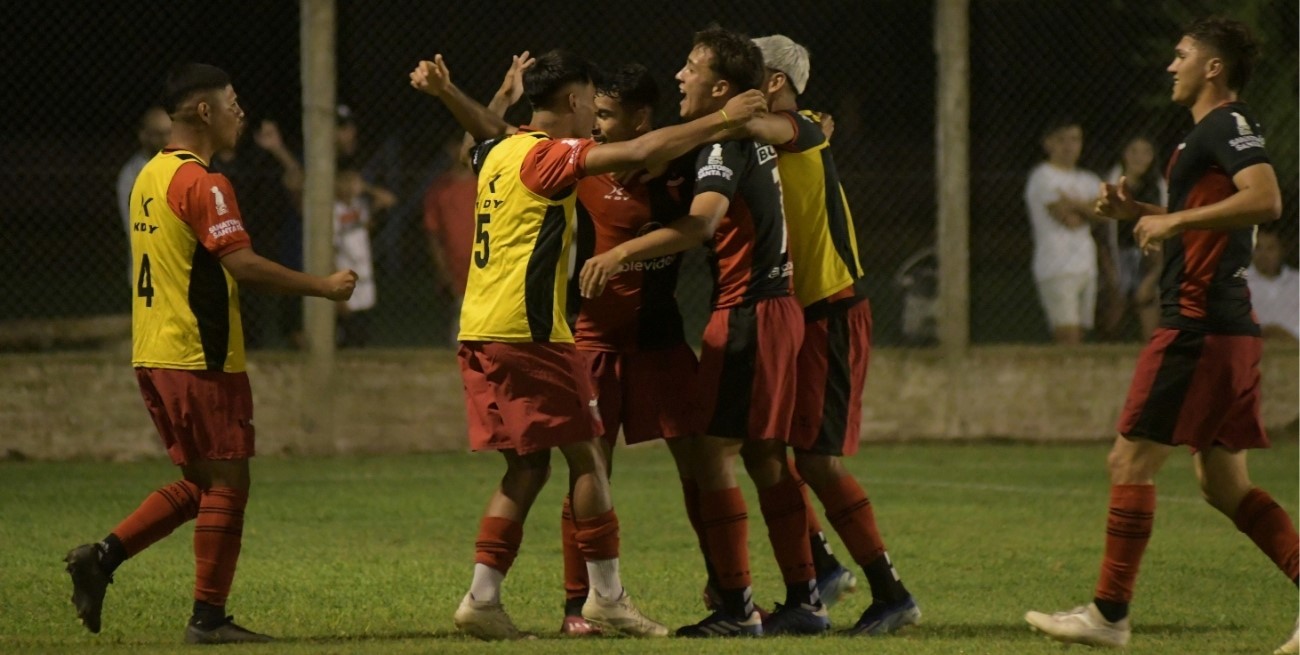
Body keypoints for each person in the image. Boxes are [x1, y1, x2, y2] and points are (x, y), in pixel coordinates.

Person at [409, 48, 766, 640]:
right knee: (588, 460)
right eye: (591, 105)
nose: (594, 120)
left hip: (479, 331)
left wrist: (463, 94)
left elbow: (490, 129)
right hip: (532, 334)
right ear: (575, 103)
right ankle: (602, 599)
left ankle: (483, 598)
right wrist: (731, 117)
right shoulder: (555, 157)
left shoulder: (500, 151)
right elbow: (646, 148)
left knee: (527, 469)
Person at [1024, 18, 1299, 654]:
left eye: (1181, 57)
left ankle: (1108, 615)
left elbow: (1265, 200)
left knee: (1130, 461)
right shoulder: (1203, 136)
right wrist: (1143, 213)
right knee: (1223, 486)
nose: (1170, 67)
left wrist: (1173, 217)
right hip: (1228, 330)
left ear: (1213, 68)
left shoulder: (1225, 124)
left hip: (1197, 325)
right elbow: (1212, 220)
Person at [63, 63, 357, 644]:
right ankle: (209, 618)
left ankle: (102, 558)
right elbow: (241, 265)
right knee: (227, 484)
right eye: (233, 102)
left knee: (202, 484)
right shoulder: (205, 183)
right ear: (205, 111)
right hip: (198, 355)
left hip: (154, 353)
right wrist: (321, 287)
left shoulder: (147, 175)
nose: (240, 112)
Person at [579, 26, 824, 637]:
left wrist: (620, 253)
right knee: (765, 456)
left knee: (713, 453)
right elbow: (809, 127)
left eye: (691, 68)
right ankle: (806, 596)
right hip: (776, 306)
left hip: (747, 310)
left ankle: (737, 609)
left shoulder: (724, 148)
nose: (680, 77)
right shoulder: (745, 134)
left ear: (720, 86)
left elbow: (701, 224)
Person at [741, 33, 922, 637]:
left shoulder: (798, 126)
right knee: (769, 449)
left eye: (747, 72)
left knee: (816, 458)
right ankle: (820, 568)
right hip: (798, 313)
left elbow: (780, 130)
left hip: (833, 311)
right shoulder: (796, 125)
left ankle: (890, 591)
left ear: (773, 82)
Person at [1024, 117, 1104, 345]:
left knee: (1081, 333)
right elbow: (1068, 219)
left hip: (1086, 265)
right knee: (1066, 335)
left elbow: (1106, 214)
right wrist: (1087, 207)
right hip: (1056, 266)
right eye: (1061, 140)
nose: (1069, 146)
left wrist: (1075, 203)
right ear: (1048, 144)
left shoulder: (1088, 179)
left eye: (1075, 139)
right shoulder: (1043, 176)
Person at [1098, 135, 1166, 340]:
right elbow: (1100, 234)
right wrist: (1110, 273)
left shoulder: (1160, 187)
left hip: (1148, 256)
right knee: (1114, 314)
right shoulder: (1110, 184)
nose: (1139, 157)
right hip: (1117, 255)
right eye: (1133, 151)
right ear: (1124, 154)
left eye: (1146, 152)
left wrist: (1153, 275)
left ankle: (1151, 362)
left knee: (1148, 303)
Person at [422, 134, 477, 346]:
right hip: (457, 269)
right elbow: (433, 235)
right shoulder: (439, 189)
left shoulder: (488, 184)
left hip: (487, 268)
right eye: (462, 146)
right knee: (461, 328)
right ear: (451, 149)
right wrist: (442, 269)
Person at [117, 107, 172, 278]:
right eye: (158, 133)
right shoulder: (133, 175)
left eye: (169, 132)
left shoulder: (181, 165)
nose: (165, 139)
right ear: (143, 135)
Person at [333, 165, 377, 347]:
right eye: (351, 181)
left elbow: (388, 200)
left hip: (364, 274)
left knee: (363, 330)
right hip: (346, 274)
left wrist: (366, 188)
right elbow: (331, 249)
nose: (356, 186)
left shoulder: (360, 206)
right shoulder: (333, 210)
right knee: (346, 330)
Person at [1247, 229, 1298, 343]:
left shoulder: (1297, 282)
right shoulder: (1239, 283)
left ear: (1282, 250)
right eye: (1258, 248)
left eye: (1270, 248)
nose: (1263, 255)